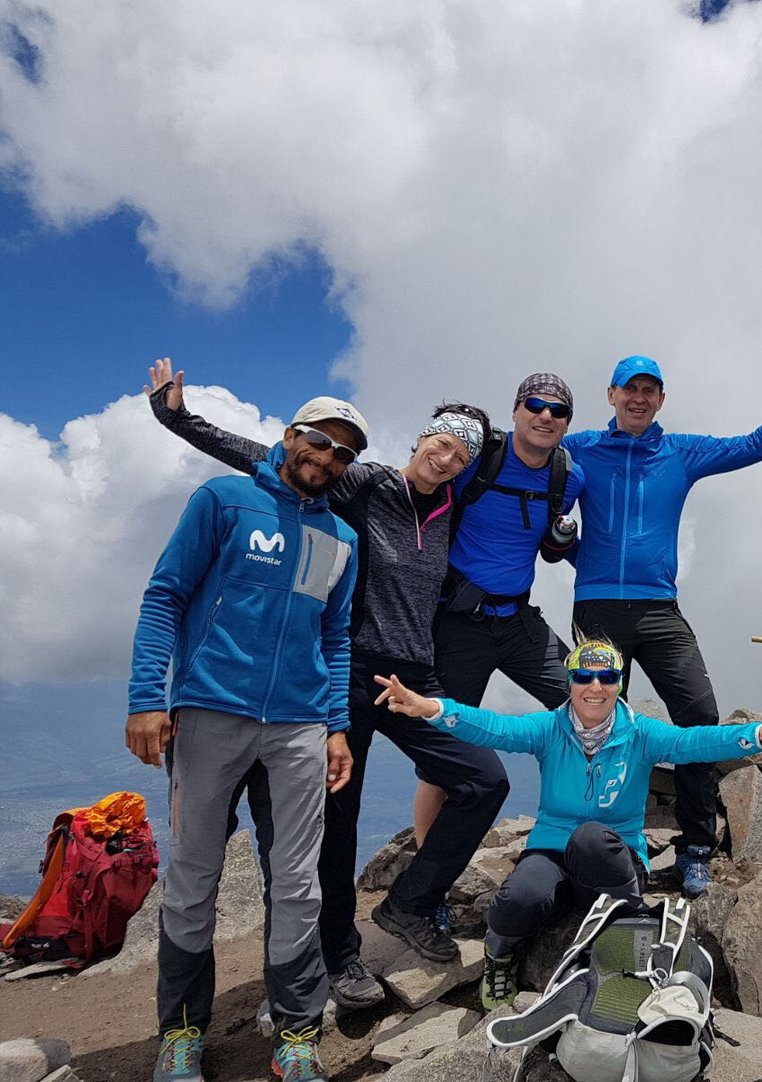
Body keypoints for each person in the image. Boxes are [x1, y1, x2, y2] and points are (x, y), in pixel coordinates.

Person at [145, 360, 507, 997]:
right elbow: (284, 459)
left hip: (413, 676)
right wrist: (180, 420)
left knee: (483, 778)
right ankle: (339, 957)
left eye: (462, 453)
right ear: (421, 438)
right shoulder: (363, 483)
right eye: (441, 441)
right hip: (349, 670)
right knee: (338, 821)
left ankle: (408, 904)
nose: (447, 457)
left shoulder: (454, 509)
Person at [371, 639, 762, 1009]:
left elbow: (689, 741)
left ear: (619, 683)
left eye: (607, 678)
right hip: (552, 850)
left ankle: (623, 926)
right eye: (583, 677)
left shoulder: (640, 732)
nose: (595, 686)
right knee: (516, 900)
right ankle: (501, 957)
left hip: (612, 855)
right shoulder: (548, 727)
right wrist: (430, 708)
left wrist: (756, 734)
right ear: (570, 682)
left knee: (590, 838)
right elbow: (493, 728)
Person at [127, 394, 363, 1082]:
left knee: (298, 883)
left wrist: (337, 727)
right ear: (290, 435)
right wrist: (148, 698)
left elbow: (335, 636)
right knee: (193, 879)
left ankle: (296, 1037)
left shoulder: (342, 539)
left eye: (344, 452)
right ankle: (181, 1035)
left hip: (299, 727)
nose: (327, 457)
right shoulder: (224, 501)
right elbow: (165, 594)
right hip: (208, 713)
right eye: (319, 440)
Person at [563, 340, 762, 896]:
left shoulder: (681, 452)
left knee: (700, 717)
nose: (638, 398)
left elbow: (753, 447)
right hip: (597, 607)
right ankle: (589, 848)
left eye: (649, 390)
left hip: (659, 607)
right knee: (591, 726)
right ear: (611, 395)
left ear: (661, 399)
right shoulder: (578, 449)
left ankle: (694, 850)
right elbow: (531, 475)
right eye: (630, 388)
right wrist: (565, 546)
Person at [432, 373, 585, 712]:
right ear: (516, 410)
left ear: (566, 424)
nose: (546, 416)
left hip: (519, 623)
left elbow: (549, 549)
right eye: (535, 405)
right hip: (458, 624)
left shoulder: (569, 479)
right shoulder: (478, 460)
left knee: (589, 701)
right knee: (449, 737)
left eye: (558, 411)